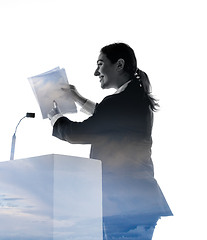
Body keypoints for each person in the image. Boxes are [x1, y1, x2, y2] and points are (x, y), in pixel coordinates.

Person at [48, 43, 172, 240]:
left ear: (119, 65)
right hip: (140, 202)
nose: (95, 72)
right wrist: (78, 98)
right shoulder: (135, 97)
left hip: (123, 205)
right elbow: (109, 120)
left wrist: (55, 116)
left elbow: (76, 133)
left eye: (100, 64)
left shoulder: (119, 102)